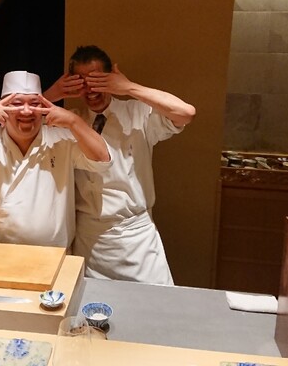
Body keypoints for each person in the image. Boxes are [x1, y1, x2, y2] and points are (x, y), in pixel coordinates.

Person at [44, 45, 196, 284]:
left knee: (152, 303)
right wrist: (51, 95)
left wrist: (128, 87)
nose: (90, 90)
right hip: (89, 238)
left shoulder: (138, 113)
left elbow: (185, 113)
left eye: (97, 81)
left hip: (135, 237)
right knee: (93, 304)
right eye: (82, 82)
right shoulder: (71, 120)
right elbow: (19, 123)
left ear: (110, 79)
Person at [0, 70, 111, 249]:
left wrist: (74, 121)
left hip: (55, 252)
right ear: (1, 108)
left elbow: (102, 159)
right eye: (17, 104)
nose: (26, 111)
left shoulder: (61, 139)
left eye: (34, 103)